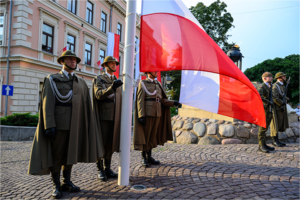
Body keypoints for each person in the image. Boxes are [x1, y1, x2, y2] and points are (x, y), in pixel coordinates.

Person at [28, 50, 103, 199]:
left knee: (71, 153)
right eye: (69, 59)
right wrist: (49, 125)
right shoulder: (52, 79)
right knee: (57, 155)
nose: (73, 61)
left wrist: (86, 124)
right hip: (60, 124)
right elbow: (47, 103)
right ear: (62, 62)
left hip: (76, 125)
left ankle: (66, 181)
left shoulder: (81, 82)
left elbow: (85, 105)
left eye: (74, 59)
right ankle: (56, 185)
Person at [133, 71, 181, 168]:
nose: (156, 72)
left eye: (156, 71)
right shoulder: (143, 83)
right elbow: (140, 100)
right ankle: (144, 157)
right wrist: (141, 115)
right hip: (148, 113)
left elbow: (162, 100)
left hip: (157, 113)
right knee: (146, 135)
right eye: (154, 71)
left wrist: (173, 102)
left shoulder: (158, 83)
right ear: (148, 72)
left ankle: (149, 156)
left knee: (152, 136)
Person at [92, 56, 123, 181]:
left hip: (115, 116)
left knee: (110, 143)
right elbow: (98, 95)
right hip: (103, 116)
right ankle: (100, 169)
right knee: (101, 143)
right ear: (105, 65)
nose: (114, 65)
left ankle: (108, 168)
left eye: (115, 63)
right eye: (111, 63)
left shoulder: (117, 80)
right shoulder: (99, 79)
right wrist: (112, 88)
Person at [257, 72, 275, 153]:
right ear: (264, 78)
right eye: (270, 77)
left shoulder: (270, 86)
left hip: (269, 109)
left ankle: (264, 144)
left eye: (271, 77)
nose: (271, 78)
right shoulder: (262, 87)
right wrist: (269, 102)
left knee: (266, 127)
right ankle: (261, 146)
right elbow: (259, 97)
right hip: (264, 110)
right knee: (262, 128)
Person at [270, 72, 289, 147]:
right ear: (279, 78)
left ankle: (277, 140)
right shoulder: (275, 86)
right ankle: (274, 140)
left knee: (279, 124)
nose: (284, 77)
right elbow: (275, 98)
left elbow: (283, 95)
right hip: (276, 108)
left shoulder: (282, 85)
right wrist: (282, 103)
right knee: (275, 125)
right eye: (283, 76)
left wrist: (287, 99)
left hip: (281, 108)